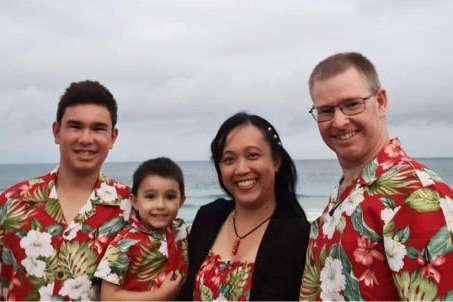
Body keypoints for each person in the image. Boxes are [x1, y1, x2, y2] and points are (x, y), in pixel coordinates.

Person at [299, 52, 453, 301]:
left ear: (381, 102)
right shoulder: (343, 194)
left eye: (352, 104)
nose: (339, 121)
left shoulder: (417, 194)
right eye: (326, 111)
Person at [0, 80, 132, 301]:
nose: (86, 139)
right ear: (56, 132)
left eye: (98, 128)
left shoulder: (133, 211)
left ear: (113, 137)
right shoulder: (11, 203)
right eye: (75, 126)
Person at [180, 112, 311, 301]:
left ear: (276, 161)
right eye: (229, 160)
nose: (241, 169)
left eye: (252, 155)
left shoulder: (296, 235)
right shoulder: (208, 216)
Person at [95, 157, 188, 301]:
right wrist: (161, 296)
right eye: (151, 196)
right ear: (135, 201)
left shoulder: (181, 231)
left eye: (170, 197)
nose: (161, 205)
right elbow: (108, 297)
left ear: (181, 201)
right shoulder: (125, 242)